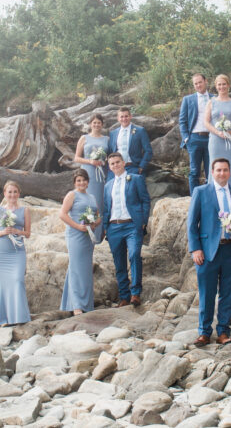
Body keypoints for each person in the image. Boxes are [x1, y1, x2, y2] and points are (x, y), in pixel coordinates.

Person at [187, 158, 231, 346]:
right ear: (212, 172)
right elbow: (192, 223)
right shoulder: (201, 192)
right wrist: (195, 248)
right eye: (218, 170)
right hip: (207, 250)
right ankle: (204, 332)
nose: (222, 174)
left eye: (225, 170)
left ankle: (224, 332)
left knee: (229, 293)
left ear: (229, 172)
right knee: (207, 292)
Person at [102, 152, 151, 307]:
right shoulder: (108, 185)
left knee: (135, 255)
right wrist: (106, 227)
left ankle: (135, 293)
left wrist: (143, 221)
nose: (115, 165)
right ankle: (124, 295)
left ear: (123, 163)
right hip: (114, 227)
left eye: (118, 162)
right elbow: (105, 208)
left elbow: (145, 200)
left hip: (132, 225)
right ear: (109, 167)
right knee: (119, 263)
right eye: (112, 164)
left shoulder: (136, 179)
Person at [59, 169, 102, 315]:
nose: (81, 183)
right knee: (76, 268)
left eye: (84, 180)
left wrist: (94, 223)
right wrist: (78, 226)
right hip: (75, 235)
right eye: (78, 180)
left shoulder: (91, 197)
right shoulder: (72, 195)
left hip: (88, 237)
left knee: (84, 269)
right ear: (74, 183)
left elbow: (98, 216)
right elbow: (62, 214)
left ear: (88, 181)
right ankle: (76, 305)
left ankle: (86, 304)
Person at [0, 180, 31, 326]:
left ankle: (19, 316)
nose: (12, 195)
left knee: (18, 280)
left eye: (15, 192)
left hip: (17, 251)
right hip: (1, 252)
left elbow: (28, 233)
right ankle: (4, 318)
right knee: (3, 283)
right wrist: (3, 232)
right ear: (5, 194)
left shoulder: (24, 210)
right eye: (9, 192)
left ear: (18, 193)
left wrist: (17, 231)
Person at [178, 73, 212, 194]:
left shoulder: (214, 98)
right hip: (194, 139)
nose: (198, 85)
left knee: (211, 170)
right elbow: (182, 121)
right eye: (195, 83)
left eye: (200, 82)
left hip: (211, 138)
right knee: (194, 171)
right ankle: (194, 198)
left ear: (205, 81)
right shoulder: (187, 99)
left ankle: (209, 196)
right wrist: (186, 138)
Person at [74, 114, 110, 203]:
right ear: (90, 124)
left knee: (100, 196)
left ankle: (101, 216)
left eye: (99, 123)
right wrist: (90, 161)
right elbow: (76, 158)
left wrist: (103, 161)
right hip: (87, 171)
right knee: (87, 195)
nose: (96, 125)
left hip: (101, 171)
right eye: (94, 122)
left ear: (102, 124)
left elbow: (110, 157)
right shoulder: (84, 138)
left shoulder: (107, 139)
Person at [108, 107, 152, 176]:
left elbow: (148, 151)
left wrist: (141, 167)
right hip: (116, 169)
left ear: (130, 116)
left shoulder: (140, 131)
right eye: (121, 117)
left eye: (126, 116)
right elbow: (110, 151)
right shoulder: (113, 133)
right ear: (118, 118)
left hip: (133, 167)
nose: (124, 119)